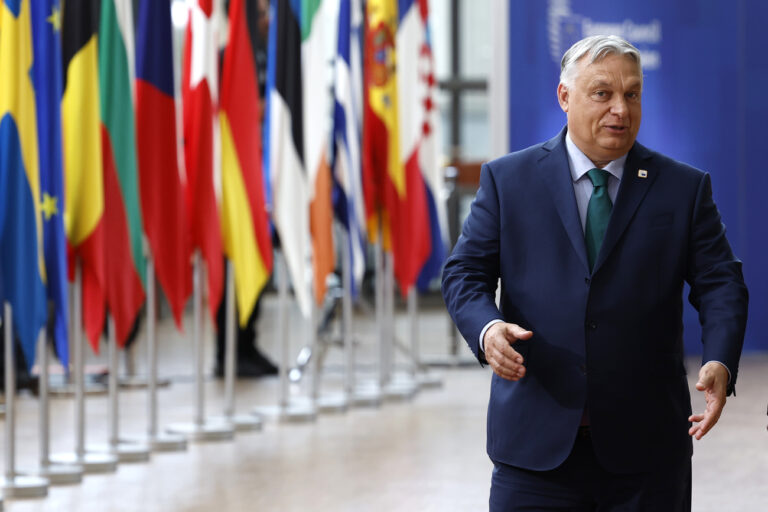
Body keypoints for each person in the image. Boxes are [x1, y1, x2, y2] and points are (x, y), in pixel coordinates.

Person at [441, 35, 748, 511]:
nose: (620, 110)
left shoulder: (684, 189)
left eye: (632, 94)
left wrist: (720, 360)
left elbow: (721, 281)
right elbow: (464, 273)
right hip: (534, 451)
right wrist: (487, 328)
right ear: (565, 97)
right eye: (602, 93)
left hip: (647, 455)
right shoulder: (508, 181)